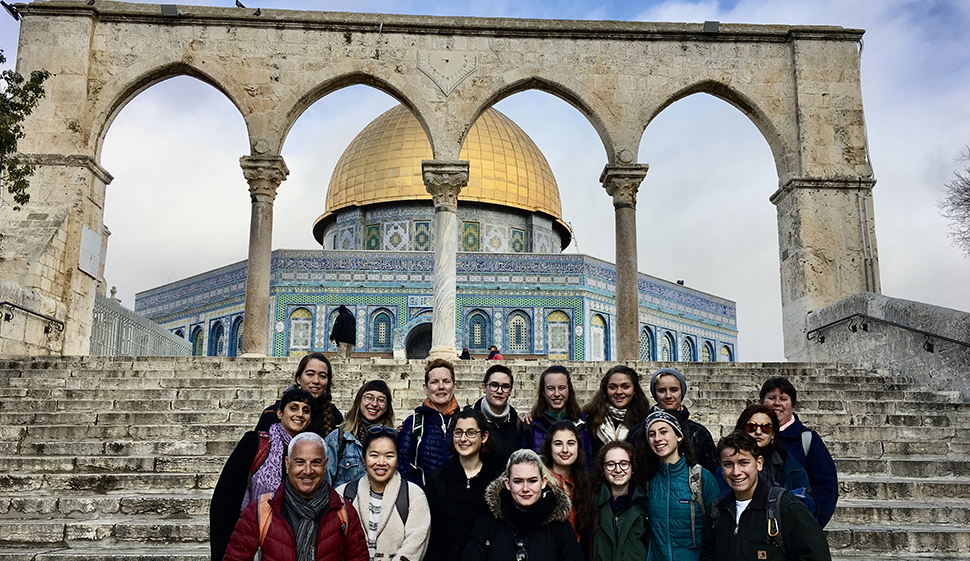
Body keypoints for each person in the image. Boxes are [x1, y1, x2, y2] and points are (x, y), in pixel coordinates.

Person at [222, 432, 369, 561]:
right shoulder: (260, 510)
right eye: (300, 462)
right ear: (287, 464)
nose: (308, 470)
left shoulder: (344, 511)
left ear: (325, 466)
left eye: (316, 462)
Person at [210, 387, 315, 561]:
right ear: (280, 413)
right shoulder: (255, 442)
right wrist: (222, 551)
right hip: (253, 538)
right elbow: (225, 497)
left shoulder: (311, 452)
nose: (300, 414)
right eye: (293, 408)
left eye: (306, 410)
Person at [701, 431, 832, 561]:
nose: (736, 472)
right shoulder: (716, 510)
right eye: (728, 464)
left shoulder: (785, 507)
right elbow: (707, 555)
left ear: (759, 463)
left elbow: (816, 556)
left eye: (744, 463)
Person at [463, 449, 584, 561]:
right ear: (507, 484)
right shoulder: (487, 525)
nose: (525, 488)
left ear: (543, 482)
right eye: (518, 481)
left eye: (532, 481)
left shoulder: (560, 528)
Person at [335, 429, 431, 561]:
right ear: (364, 459)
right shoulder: (343, 494)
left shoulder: (413, 495)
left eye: (389, 456)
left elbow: (415, 543)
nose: (381, 462)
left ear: (397, 461)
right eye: (374, 455)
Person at [424, 408, 503, 561]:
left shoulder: (498, 479)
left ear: (484, 436)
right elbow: (431, 532)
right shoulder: (438, 479)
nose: (463, 439)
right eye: (458, 432)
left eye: (471, 432)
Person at [641, 410, 719, 561]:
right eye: (652, 434)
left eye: (664, 432)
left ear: (679, 436)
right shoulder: (646, 479)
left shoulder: (702, 478)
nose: (657, 438)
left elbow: (718, 528)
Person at [760, 377, 838, 527]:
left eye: (783, 399)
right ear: (762, 402)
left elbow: (826, 486)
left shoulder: (807, 439)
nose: (777, 403)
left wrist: (810, 524)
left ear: (793, 405)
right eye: (771, 398)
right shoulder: (748, 436)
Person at [713, 404, 816, 515]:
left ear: (773, 434)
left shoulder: (789, 464)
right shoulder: (726, 470)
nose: (758, 432)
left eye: (766, 427)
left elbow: (805, 504)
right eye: (751, 427)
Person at [627, 367, 718, 474]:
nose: (668, 396)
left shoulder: (699, 432)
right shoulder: (638, 431)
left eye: (674, 390)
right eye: (662, 391)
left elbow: (713, 472)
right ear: (655, 393)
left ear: (682, 391)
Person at [520, 365, 593, 472]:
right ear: (543, 392)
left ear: (569, 390)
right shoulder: (531, 424)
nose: (557, 394)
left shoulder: (583, 423)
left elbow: (589, 463)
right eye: (551, 389)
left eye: (562, 388)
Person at [399, 358, 459, 486]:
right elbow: (402, 464)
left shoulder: (464, 421)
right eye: (434, 382)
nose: (441, 387)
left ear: (454, 387)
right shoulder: (414, 423)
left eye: (446, 381)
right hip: (423, 500)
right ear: (426, 388)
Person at [324, 380, 395, 488]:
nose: (374, 404)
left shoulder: (393, 441)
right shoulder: (338, 439)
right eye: (369, 397)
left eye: (381, 400)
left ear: (386, 407)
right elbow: (325, 481)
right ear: (359, 401)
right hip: (345, 503)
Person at [539, 421, 595, 558]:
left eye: (571, 443)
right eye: (558, 444)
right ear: (549, 448)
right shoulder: (538, 484)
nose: (565, 450)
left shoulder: (585, 486)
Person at [256, 352, 343, 438]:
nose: (316, 381)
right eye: (310, 374)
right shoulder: (272, 412)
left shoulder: (334, 415)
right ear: (298, 379)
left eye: (322, 376)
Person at [592, 441, 649, 561]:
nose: (618, 470)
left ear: (632, 467)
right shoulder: (592, 502)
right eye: (611, 464)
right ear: (602, 469)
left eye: (624, 464)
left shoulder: (645, 504)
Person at [583, 365, 651, 459]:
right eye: (613, 387)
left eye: (625, 387)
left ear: (634, 390)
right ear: (606, 390)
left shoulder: (645, 421)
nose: (619, 392)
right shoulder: (590, 419)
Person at [472, 363, 521, 465]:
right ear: (484, 387)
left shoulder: (516, 422)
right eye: (494, 385)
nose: (499, 391)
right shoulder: (470, 419)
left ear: (511, 391)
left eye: (505, 386)